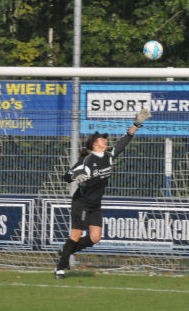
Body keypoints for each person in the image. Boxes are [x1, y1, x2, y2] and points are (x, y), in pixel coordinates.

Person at [54, 108, 152, 279]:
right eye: (102, 139)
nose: (105, 141)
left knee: (95, 238)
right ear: (94, 144)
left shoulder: (108, 156)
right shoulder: (86, 161)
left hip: (95, 205)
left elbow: (124, 141)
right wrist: (76, 176)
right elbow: (67, 177)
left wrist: (137, 124)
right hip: (81, 203)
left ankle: (65, 251)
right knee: (76, 235)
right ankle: (60, 269)